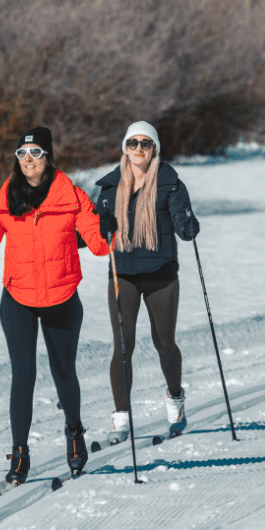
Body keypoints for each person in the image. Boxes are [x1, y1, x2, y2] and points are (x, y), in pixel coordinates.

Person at [0, 126, 110, 486]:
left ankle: (74, 433)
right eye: (22, 154)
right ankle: (19, 452)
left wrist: (109, 229)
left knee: (63, 372)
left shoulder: (71, 196)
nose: (28, 160)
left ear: (48, 157)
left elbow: (98, 244)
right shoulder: (6, 198)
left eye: (35, 153)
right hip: (18, 298)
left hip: (61, 297)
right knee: (23, 376)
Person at [91, 121, 200, 444]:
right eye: (133, 143)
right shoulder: (109, 188)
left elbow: (181, 223)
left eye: (145, 143)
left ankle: (175, 401)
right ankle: (121, 419)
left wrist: (188, 225)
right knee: (123, 345)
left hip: (160, 273)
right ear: (125, 148)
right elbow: (92, 234)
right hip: (123, 273)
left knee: (164, 343)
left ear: (155, 149)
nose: (139, 149)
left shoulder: (170, 184)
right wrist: (101, 228)